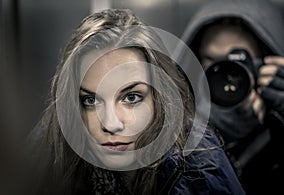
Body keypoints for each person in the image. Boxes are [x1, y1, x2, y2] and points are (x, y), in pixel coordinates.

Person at [27, 9, 245, 195]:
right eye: (91, 100)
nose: (111, 124)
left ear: (160, 97)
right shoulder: (49, 151)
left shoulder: (200, 165)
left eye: (131, 98)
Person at [181, 0, 284, 194]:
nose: (224, 76)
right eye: (211, 62)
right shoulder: (173, 134)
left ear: (268, 63)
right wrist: (202, 133)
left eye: (237, 62)